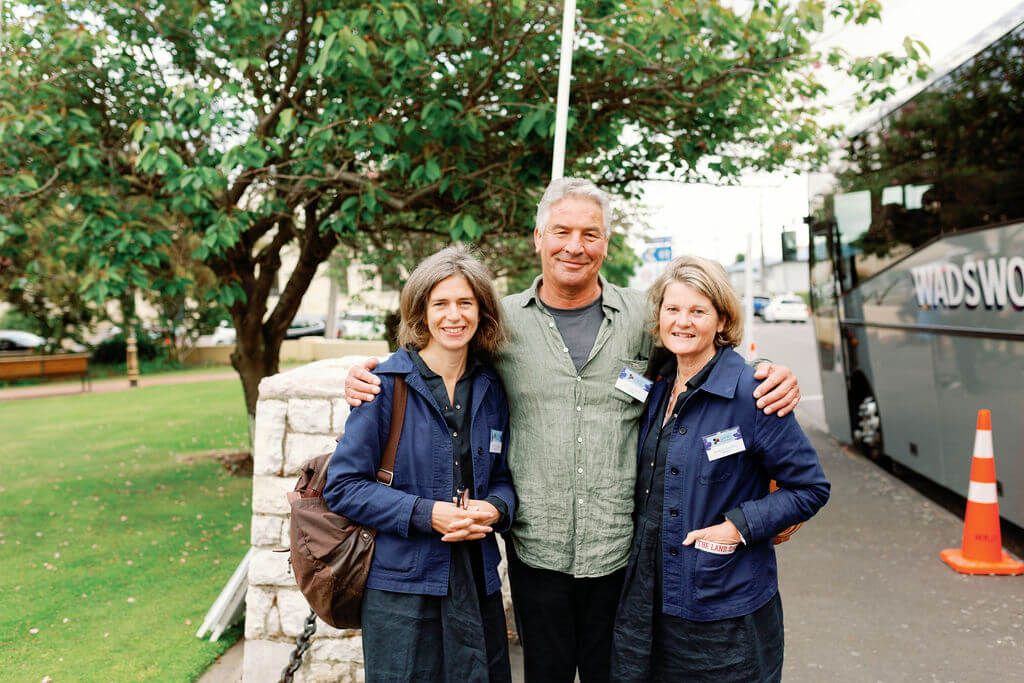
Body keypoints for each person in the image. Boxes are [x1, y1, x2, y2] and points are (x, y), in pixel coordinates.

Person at [344, 177, 802, 683]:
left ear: (606, 241)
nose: (575, 246)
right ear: (538, 237)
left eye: (591, 233)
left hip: (622, 552)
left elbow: (701, 351)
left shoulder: (643, 317)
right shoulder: (501, 323)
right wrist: (369, 376)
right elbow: (437, 355)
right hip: (537, 550)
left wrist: (772, 373)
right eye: (561, 231)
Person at [611, 255, 830, 682]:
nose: (683, 322)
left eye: (698, 311)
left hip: (724, 607)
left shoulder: (754, 394)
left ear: (722, 319)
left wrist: (738, 527)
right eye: (673, 309)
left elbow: (809, 488)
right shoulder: (657, 388)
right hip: (650, 602)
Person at [323, 245, 517, 682]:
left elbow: (503, 478)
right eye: (441, 303)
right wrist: (429, 514)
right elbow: (343, 486)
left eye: (465, 303)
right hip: (402, 589)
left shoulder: (491, 387)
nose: (454, 315)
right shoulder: (384, 385)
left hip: (476, 580)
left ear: (481, 310)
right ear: (421, 312)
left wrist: (496, 509)